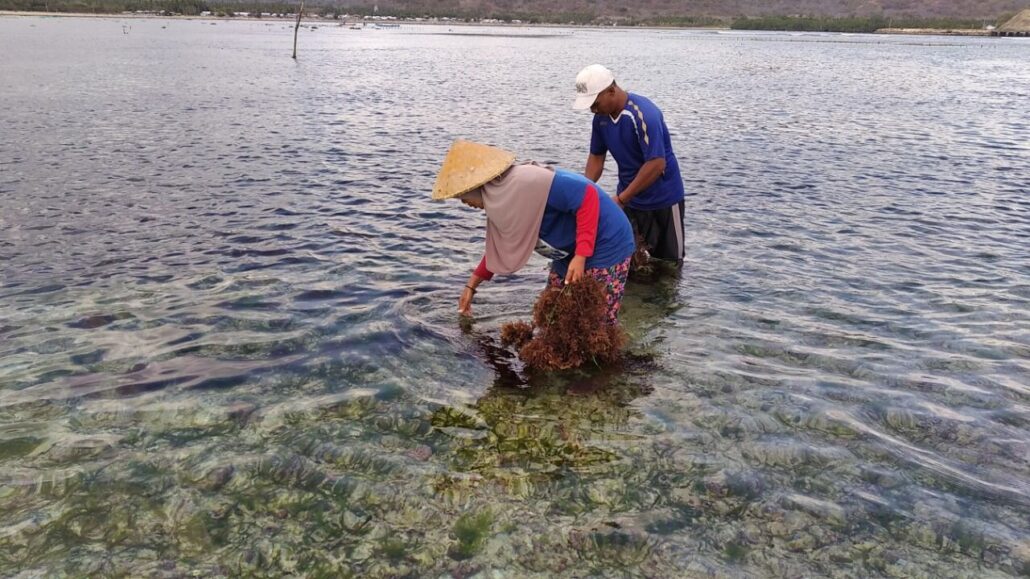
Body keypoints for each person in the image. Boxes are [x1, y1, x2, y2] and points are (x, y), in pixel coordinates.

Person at [431, 139, 635, 326]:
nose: (465, 203)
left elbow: (588, 196)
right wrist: (471, 287)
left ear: (477, 186)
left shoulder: (528, 181)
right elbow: (501, 247)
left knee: (595, 321)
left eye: (463, 197)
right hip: (568, 251)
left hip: (607, 241)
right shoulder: (501, 199)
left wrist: (581, 255)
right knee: (551, 315)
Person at [573, 64, 686, 266]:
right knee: (630, 262)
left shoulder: (643, 114)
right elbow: (596, 157)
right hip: (629, 199)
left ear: (611, 91)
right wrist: (584, 190)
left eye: (595, 102)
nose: (592, 109)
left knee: (669, 265)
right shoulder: (600, 119)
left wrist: (622, 198)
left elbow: (656, 163)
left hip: (663, 201)